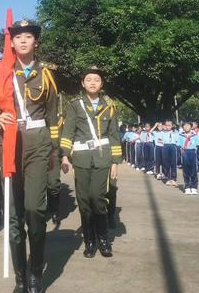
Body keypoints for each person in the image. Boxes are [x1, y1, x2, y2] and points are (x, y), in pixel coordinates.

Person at [0, 20, 59, 293]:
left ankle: (36, 272)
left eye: (28, 37)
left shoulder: (47, 75)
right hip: (10, 144)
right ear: (11, 42)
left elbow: (54, 115)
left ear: (35, 42)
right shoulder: (0, 72)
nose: (22, 41)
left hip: (38, 144)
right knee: (14, 214)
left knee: (34, 208)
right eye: (17, 37)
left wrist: (55, 149)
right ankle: (21, 276)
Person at [60, 67, 121, 259]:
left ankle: (103, 240)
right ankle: (90, 241)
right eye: (89, 79)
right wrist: (64, 155)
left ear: (101, 84)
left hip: (103, 158)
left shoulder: (110, 105)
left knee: (98, 198)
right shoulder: (75, 105)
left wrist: (115, 161)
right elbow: (68, 131)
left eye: (96, 79)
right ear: (82, 83)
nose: (93, 82)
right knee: (84, 202)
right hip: (81, 158)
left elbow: (113, 135)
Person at [177, 121, 199, 195]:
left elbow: (198, 145)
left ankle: (194, 187)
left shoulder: (195, 135)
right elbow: (179, 146)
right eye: (184, 126)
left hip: (193, 152)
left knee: (193, 170)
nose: (186, 127)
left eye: (188, 125)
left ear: (191, 127)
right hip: (184, 152)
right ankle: (187, 186)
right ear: (183, 127)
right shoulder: (181, 135)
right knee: (186, 170)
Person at [162, 120, 178, 186]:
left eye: (169, 125)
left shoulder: (176, 132)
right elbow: (160, 140)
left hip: (173, 146)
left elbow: (177, 140)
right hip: (165, 146)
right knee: (166, 162)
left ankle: (173, 179)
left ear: (172, 126)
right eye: (166, 125)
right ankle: (168, 178)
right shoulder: (162, 132)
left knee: (173, 162)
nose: (168, 127)